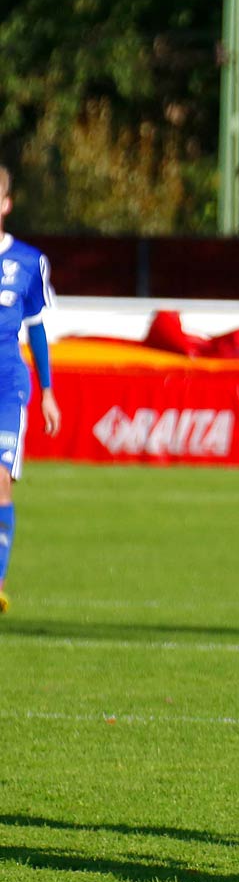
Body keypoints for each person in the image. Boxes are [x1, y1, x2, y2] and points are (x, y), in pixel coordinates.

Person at [0, 167, 61, 614]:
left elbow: (37, 330)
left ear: (6, 204)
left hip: (6, 387)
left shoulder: (27, 261)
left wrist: (48, 391)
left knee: (0, 484)